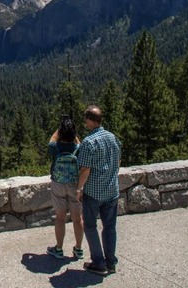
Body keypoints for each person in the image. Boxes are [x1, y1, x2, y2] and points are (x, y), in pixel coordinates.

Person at [76, 106, 122, 276]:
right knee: (110, 227)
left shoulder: (89, 142)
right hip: (112, 191)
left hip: (94, 192)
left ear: (89, 120)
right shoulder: (112, 137)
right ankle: (111, 263)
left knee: (90, 226)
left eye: (85, 119)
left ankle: (98, 263)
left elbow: (85, 169)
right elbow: (118, 161)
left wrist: (79, 188)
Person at [46, 115, 84, 260]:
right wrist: (73, 134)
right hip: (75, 185)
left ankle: (59, 249)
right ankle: (79, 249)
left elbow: (51, 140)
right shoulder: (78, 148)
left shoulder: (55, 148)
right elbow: (78, 143)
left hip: (58, 183)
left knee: (60, 218)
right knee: (77, 218)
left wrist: (59, 129)